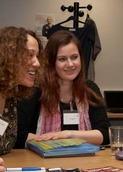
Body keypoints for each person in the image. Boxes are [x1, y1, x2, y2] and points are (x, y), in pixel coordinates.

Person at [16, 30, 110, 148]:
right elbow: (18, 135)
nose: (70, 64)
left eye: (74, 57)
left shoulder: (90, 89)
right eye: (62, 59)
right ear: (51, 62)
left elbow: (105, 134)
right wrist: (55, 143)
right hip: (42, 161)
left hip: (84, 160)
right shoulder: (34, 89)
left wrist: (68, 135)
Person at [0, 26, 41, 155]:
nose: (37, 63)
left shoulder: (10, 97)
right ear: (8, 56)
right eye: (30, 55)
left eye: (37, 56)